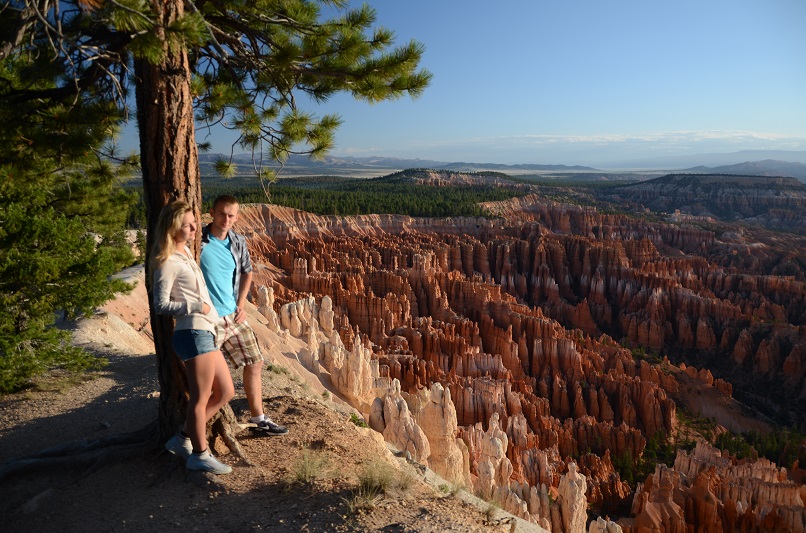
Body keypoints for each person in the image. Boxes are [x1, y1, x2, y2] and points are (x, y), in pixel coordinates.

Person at [152, 200, 235, 475]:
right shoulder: (167, 262)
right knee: (200, 399)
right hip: (191, 332)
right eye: (187, 224)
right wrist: (196, 307)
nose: (193, 228)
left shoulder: (186, 252)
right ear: (173, 227)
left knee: (225, 391)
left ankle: (183, 437)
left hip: (206, 330)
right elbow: (160, 305)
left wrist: (215, 316)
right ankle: (199, 455)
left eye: (193, 222)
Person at [200, 195, 288, 436]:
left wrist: (241, 304)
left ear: (236, 218)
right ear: (212, 213)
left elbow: (247, 272)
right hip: (208, 320)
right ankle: (196, 429)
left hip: (233, 316)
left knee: (255, 361)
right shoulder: (197, 241)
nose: (226, 219)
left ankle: (258, 419)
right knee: (208, 380)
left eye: (231, 216)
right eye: (222, 214)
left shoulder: (237, 241)